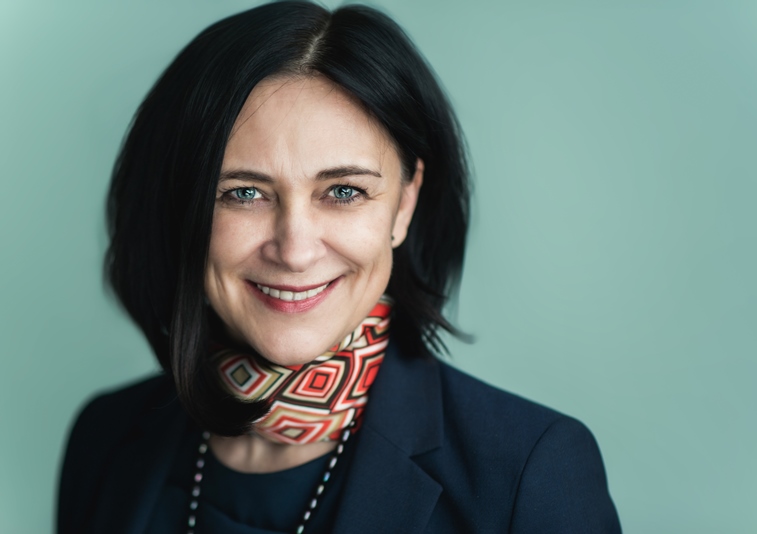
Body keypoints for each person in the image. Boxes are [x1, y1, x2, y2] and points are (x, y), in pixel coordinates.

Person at [57, 2, 621, 532]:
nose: (295, 250)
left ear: (404, 205)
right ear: (183, 208)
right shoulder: (105, 437)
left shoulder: (530, 471)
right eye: (244, 193)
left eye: (344, 191)